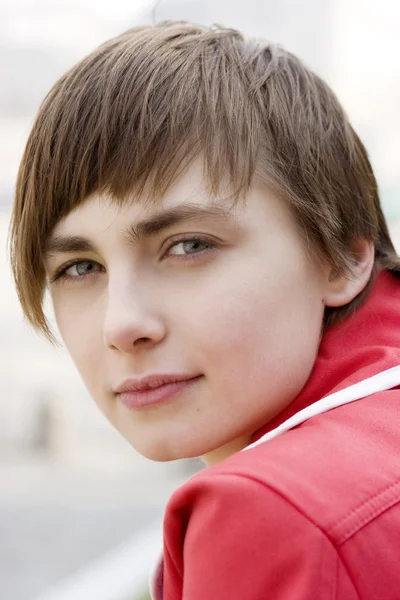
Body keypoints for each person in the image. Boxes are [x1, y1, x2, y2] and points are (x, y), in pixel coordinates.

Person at [9, 20, 400, 599]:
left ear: (342, 257)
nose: (122, 325)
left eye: (189, 246)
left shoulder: (272, 513)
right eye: (80, 267)